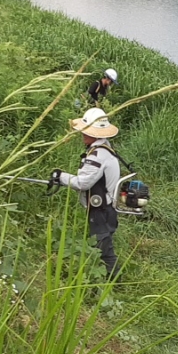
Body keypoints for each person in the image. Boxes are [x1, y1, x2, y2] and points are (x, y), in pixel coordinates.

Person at [50, 107, 122, 277]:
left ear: (94, 133)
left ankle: (113, 281)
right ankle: (102, 277)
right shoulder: (106, 148)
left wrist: (60, 177)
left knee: (103, 248)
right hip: (107, 208)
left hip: (100, 211)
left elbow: (82, 183)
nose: (82, 134)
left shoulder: (96, 156)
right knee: (99, 246)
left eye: (85, 131)